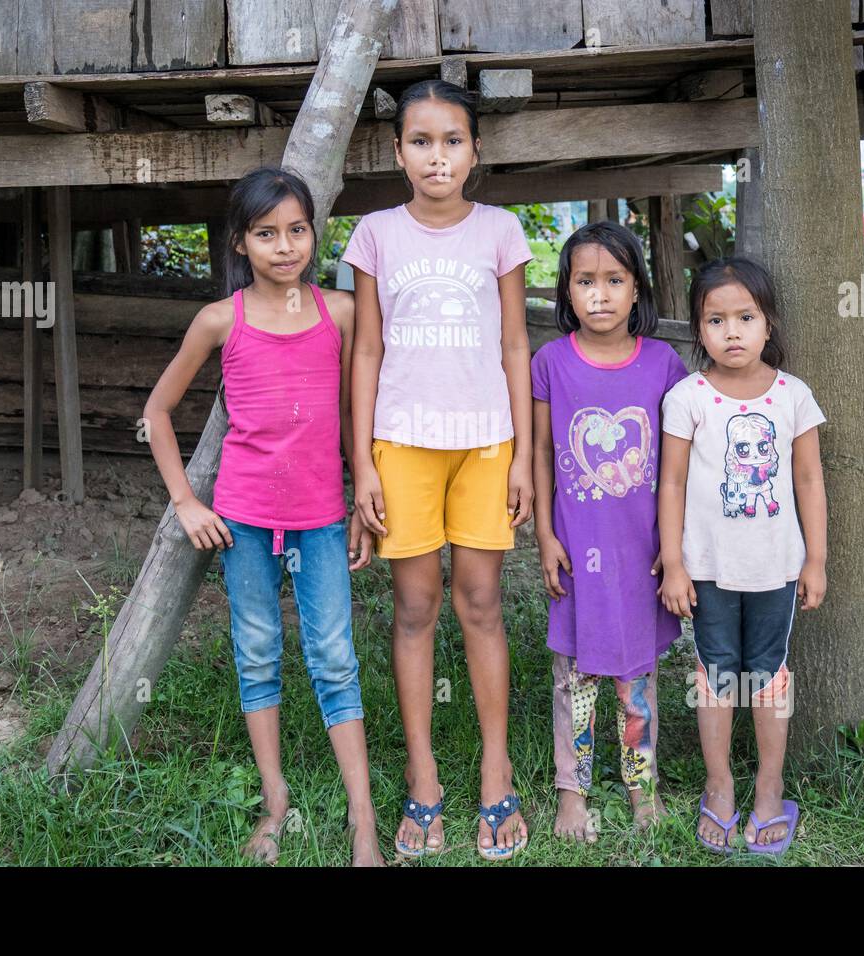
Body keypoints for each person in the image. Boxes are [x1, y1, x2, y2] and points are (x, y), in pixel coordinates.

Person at [143, 166, 382, 867]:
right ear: (240, 243)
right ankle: (275, 801)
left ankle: (362, 817)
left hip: (322, 517)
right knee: (256, 656)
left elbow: (353, 417)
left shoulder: (341, 313)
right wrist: (186, 501)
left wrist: (362, 500)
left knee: (335, 658)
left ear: (315, 234)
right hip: (244, 521)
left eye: (297, 230)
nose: (285, 246)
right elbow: (156, 414)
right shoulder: (221, 320)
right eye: (266, 233)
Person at [343, 78, 535, 860]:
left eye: (452, 140)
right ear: (397, 153)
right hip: (402, 442)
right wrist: (362, 463)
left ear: (475, 152)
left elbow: (517, 345)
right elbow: (365, 350)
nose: (436, 156)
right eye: (420, 142)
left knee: (481, 602)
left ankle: (497, 769)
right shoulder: (376, 234)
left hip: (487, 440)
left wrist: (523, 452)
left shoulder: (500, 231)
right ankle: (423, 777)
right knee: (416, 608)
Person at [657, 256, 828, 856]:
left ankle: (769, 787)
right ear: (698, 329)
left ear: (768, 323)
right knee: (717, 674)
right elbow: (671, 483)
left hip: (776, 569)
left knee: (768, 675)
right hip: (707, 571)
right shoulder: (688, 397)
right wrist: (673, 562)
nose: (732, 332)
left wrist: (816, 560)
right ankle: (720, 783)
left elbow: (809, 480)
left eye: (745, 317)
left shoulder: (794, 397)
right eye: (716, 320)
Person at [531, 221, 689, 841]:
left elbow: (677, 465)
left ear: (636, 289)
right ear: (566, 292)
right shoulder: (551, 361)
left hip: (642, 555)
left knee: (636, 680)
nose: (599, 294)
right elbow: (544, 454)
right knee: (574, 680)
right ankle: (573, 791)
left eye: (614, 280)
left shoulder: (664, 363)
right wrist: (544, 535)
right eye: (585, 281)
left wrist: (674, 551)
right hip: (577, 550)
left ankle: (641, 785)